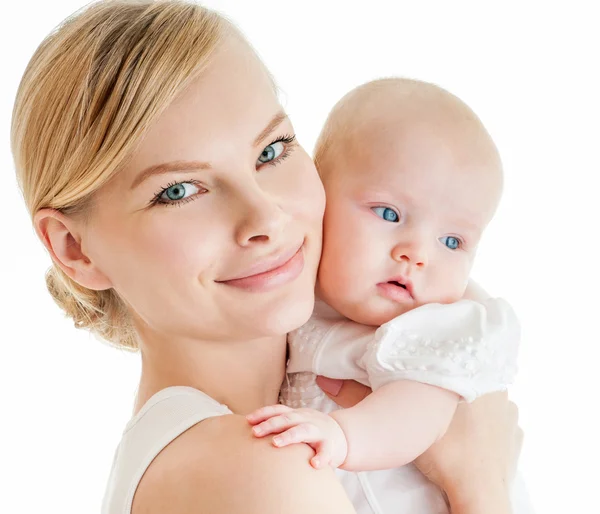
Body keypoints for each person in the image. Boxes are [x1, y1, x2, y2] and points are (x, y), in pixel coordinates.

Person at [10, 1, 522, 513]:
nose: (266, 219)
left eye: (271, 151)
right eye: (180, 190)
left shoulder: (189, 451)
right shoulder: (263, 472)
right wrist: (479, 486)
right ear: (74, 249)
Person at [248, 78, 520, 473]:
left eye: (451, 241)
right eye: (389, 214)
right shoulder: (285, 289)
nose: (417, 254)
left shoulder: (439, 328)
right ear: (320, 194)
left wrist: (342, 437)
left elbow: (414, 415)